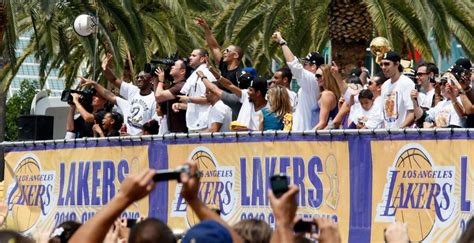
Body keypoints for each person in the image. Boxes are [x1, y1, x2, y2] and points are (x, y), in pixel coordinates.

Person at [272, 31, 323, 131]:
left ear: (313, 67)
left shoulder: (313, 81)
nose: (303, 66)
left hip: (305, 134)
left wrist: (282, 42)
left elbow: (294, 65)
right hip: (301, 133)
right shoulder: (310, 83)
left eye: (305, 64)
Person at [101, 55, 157, 135]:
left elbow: (152, 127)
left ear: (151, 80)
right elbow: (114, 80)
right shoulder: (133, 90)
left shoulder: (154, 99)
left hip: (142, 142)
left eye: (142, 77)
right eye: (137, 77)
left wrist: (133, 137)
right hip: (125, 139)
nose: (138, 79)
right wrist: (105, 69)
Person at [195, 17, 243, 87]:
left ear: (235, 55)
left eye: (227, 51)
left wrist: (212, 71)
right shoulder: (224, 66)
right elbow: (214, 47)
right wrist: (206, 28)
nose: (224, 52)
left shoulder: (240, 74)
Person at [179, 48, 216, 132]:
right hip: (193, 123)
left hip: (204, 123)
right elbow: (194, 103)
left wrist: (189, 99)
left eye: (194, 56)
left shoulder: (207, 74)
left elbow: (209, 99)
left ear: (202, 59)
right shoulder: (194, 74)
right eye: (190, 55)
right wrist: (180, 105)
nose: (190, 57)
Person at [379, 51, 415, 128]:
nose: (383, 67)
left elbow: (412, 113)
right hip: (387, 135)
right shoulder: (385, 85)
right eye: (381, 64)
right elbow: (383, 113)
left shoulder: (407, 83)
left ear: (397, 64)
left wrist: (398, 130)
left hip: (402, 135)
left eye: (387, 64)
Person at [154, 59, 190, 133]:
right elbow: (159, 103)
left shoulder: (181, 86)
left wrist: (161, 81)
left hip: (181, 131)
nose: (171, 67)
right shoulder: (174, 85)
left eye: (174, 65)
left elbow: (158, 96)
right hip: (173, 130)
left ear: (182, 71)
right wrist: (155, 79)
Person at [313, 64, 342, 130]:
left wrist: (308, 137)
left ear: (327, 76)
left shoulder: (327, 95)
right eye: (316, 76)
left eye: (318, 76)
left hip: (321, 137)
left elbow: (322, 123)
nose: (317, 79)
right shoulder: (329, 94)